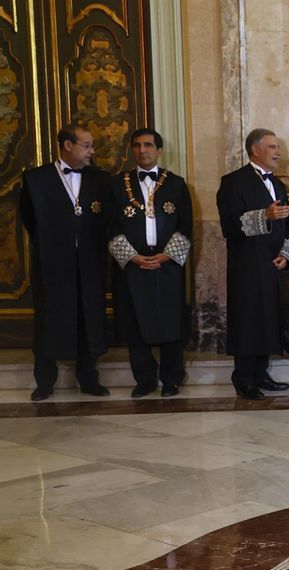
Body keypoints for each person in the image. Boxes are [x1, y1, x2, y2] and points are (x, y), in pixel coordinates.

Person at [18, 123, 112, 401]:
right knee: (48, 319)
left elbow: (106, 220)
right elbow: (29, 219)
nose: (91, 151)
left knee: (88, 317)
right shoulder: (36, 179)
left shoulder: (100, 179)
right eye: (87, 145)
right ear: (68, 146)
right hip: (52, 264)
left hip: (90, 262)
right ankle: (45, 381)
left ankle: (88, 378)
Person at [107, 128, 193, 398]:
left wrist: (167, 255)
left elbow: (186, 226)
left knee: (171, 321)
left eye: (148, 145)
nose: (142, 150)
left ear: (158, 149)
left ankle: (171, 378)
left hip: (167, 262)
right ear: (131, 150)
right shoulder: (116, 184)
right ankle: (144, 379)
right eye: (137, 145)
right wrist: (132, 256)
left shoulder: (177, 184)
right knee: (135, 321)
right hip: (133, 262)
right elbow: (109, 226)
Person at [216, 128, 289, 400]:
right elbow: (230, 224)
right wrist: (265, 215)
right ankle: (243, 378)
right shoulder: (233, 182)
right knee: (248, 319)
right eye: (272, 147)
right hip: (247, 265)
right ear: (255, 150)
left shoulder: (279, 184)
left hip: (272, 264)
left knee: (267, 318)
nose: (278, 152)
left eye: (277, 147)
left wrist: (286, 254)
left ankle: (261, 374)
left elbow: (287, 227)